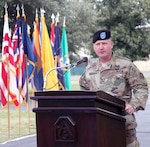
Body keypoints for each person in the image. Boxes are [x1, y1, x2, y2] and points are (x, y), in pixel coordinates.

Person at [79, 29, 149, 147]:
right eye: (98, 44)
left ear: (111, 44)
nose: (101, 47)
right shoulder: (90, 68)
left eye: (104, 43)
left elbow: (141, 87)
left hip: (123, 122)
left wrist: (133, 105)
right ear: (93, 47)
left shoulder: (125, 65)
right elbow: (84, 89)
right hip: (97, 123)